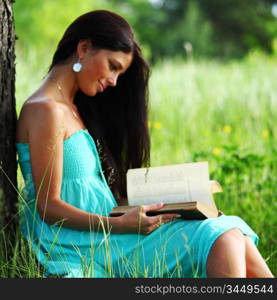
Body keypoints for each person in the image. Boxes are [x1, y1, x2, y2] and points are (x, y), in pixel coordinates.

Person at [16, 10, 274, 278]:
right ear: (83, 48)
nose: (114, 81)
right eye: (113, 66)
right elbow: (48, 206)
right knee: (222, 237)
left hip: (108, 231)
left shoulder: (72, 109)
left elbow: (85, 192)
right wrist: (123, 225)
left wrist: (171, 203)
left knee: (231, 234)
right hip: (82, 241)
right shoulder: (46, 110)